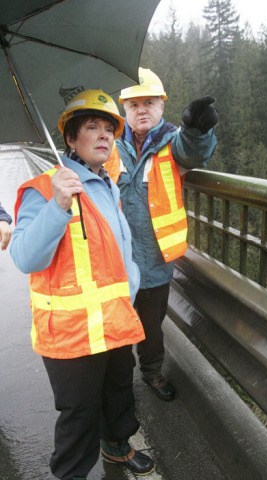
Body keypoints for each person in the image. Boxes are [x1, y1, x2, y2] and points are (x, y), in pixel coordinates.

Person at [10, 89, 155, 480]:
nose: (105, 135)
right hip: (72, 334)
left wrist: (133, 287)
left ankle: (117, 448)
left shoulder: (106, 184)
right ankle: (71, 473)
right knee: (79, 413)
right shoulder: (46, 189)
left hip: (114, 321)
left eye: (109, 128)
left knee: (117, 395)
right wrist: (58, 204)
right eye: (92, 127)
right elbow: (24, 257)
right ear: (71, 139)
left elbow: (118, 253)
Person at [105, 68, 218, 401]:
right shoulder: (109, 146)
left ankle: (152, 372)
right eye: (134, 104)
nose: (142, 109)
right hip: (116, 263)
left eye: (149, 102)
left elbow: (195, 151)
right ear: (124, 109)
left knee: (151, 329)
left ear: (162, 107)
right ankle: (119, 381)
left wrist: (197, 128)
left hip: (155, 263)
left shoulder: (172, 143)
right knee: (118, 326)